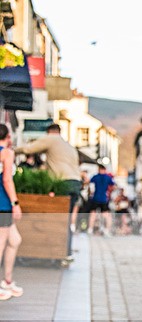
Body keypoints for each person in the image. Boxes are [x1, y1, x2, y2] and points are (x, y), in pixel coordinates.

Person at [17, 124, 81, 258]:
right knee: (66, 219)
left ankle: (58, 252)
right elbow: (52, 165)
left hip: (64, 183)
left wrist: (11, 150)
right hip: (75, 183)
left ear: (49, 132)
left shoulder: (52, 139)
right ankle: (66, 253)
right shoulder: (68, 146)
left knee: (58, 219)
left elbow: (29, 149)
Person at [0, 124, 23, 300]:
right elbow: (7, 179)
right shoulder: (7, 153)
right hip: (3, 203)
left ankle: (7, 281)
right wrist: (15, 203)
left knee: (15, 240)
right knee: (0, 244)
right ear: (8, 136)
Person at [88, 165, 115, 235]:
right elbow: (113, 186)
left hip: (96, 198)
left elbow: (88, 182)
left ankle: (90, 229)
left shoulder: (96, 177)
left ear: (99, 169)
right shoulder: (108, 177)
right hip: (104, 199)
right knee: (107, 215)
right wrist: (109, 192)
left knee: (93, 214)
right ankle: (107, 230)